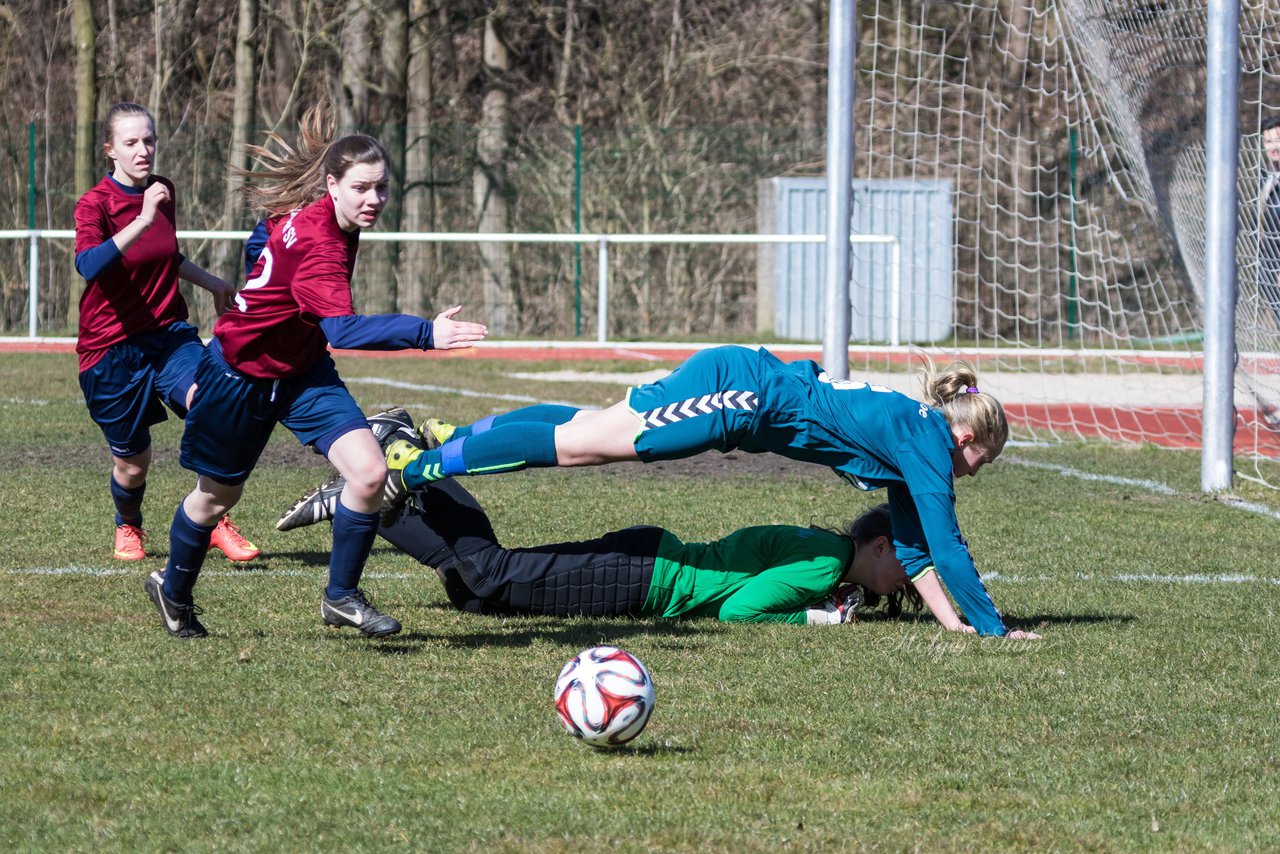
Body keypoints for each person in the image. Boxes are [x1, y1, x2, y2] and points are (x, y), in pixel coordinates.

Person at [382, 346, 1041, 639]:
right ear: (964, 433)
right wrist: (994, 629)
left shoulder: (913, 441)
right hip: (739, 398)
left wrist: (953, 624)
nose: (978, 469)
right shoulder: (927, 441)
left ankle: (453, 435)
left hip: (744, 392)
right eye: (985, 454)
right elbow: (948, 547)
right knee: (587, 444)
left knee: (588, 430)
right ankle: (418, 468)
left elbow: (917, 550)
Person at [143, 105, 488, 639]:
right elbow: (343, 331)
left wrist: (261, 272)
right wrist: (426, 334)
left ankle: (341, 597)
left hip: (302, 371)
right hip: (239, 376)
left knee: (370, 473)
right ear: (332, 184)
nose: (374, 200)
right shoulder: (322, 244)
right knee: (216, 499)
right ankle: (174, 592)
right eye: (362, 189)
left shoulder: (315, 214)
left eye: (382, 188)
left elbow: (262, 240)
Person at [73, 102, 260, 565]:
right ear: (110, 150)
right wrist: (140, 218)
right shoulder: (95, 204)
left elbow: (167, 257)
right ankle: (128, 525)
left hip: (168, 335)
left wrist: (214, 282)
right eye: (132, 142)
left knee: (211, 403)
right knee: (133, 463)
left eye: (149, 140)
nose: (144, 150)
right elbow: (88, 264)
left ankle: (211, 518)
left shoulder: (163, 191)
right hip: (110, 349)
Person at [384, 480, 918, 624]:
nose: (911, 578)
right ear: (879, 544)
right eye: (910, 563)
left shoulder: (824, 547)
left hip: (646, 558)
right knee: (489, 572)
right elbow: (738, 610)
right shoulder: (824, 565)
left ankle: (382, 504)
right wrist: (809, 621)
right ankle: (417, 473)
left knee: (477, 598)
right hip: (641, 578)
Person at [1258, 115, 1280, 334]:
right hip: (1268, 263)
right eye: (1268, 142)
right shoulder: (1264, 175)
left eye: (1278, 140)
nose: (1273, 147)